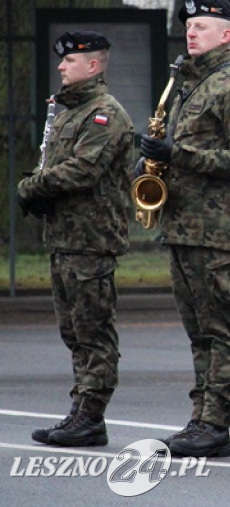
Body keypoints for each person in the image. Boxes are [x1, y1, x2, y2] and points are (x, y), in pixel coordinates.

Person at [140, 0, 230, 458]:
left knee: (221, 330)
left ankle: (216, 422)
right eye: (189, 26)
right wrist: (153, 165)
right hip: (184, 226)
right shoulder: (187, 84)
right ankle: (201, 418)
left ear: (226, 35)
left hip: (216, 231)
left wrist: (179, 155)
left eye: (202, 27)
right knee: (198, 332)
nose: (191, 32)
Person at [19, 31, 134, 448]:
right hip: (65, 236)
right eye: (62, 61)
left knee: (94, 331)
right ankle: (81, 411)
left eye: (71, 61)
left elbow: (83, 169)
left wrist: (34, 187)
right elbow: (53, 160)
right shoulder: (66, 111)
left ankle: (90, 415)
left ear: (94, 65)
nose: (62, 66)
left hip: (91, 238)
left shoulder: (105, 113)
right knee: (73, 330)